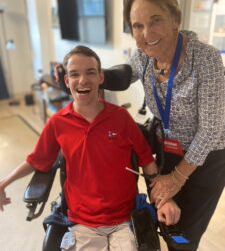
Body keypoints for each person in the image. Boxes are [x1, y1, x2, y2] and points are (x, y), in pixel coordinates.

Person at [0, 45, 180, 251]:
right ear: (67, 81)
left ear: (100, 77)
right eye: (74, 74)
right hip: (83, 221)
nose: (83, 80)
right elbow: (35, 160)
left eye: (90, 72)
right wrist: (4, 182)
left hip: (123, 219)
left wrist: (164, 200)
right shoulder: (58, 123)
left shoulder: (121, 118)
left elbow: (148, 162)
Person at [123, 0, 225, 250]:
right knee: (166, 219)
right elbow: (124, 73)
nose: (146, 33)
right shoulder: (144, 56)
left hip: (204, 159)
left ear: (175, 20)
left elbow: (212, 130)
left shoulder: (206, 59)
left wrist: (177, 178)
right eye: (137, 25)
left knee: (184, 235)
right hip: (166, 148)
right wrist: (89, 74)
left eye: (155, 20)